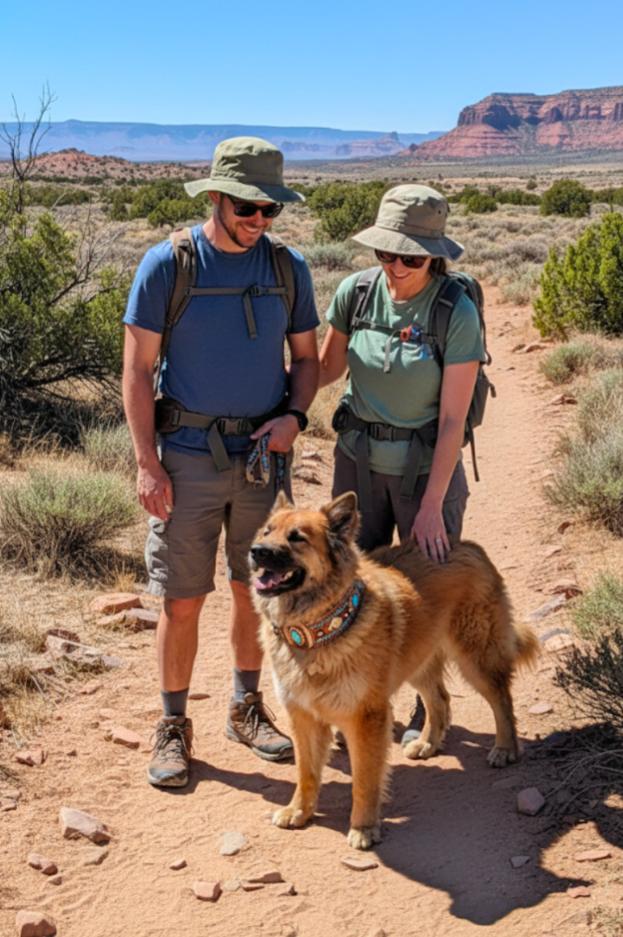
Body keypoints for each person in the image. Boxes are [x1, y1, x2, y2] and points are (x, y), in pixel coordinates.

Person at [122, 136, 319, 787]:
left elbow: (307, 358)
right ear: (214, 196)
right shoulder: (168, 264)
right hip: (185, 459)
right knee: (181, 600)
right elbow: (138, 368)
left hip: (261, 462)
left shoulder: (287, 268)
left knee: (252, 590)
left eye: (269, 208)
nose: (258, 219)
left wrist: (294, 416)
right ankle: (174, 723)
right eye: (246, 206)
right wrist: (148, 463)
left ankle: (245, 705)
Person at [318, 184, 485, 746]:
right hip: (358, 466)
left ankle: (427, 706)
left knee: (421, 595)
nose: (395, 267)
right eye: (385, 254)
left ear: (435, 256)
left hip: (422, 472)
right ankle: (355, 701)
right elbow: (322, 370)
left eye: (409, 257)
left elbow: (452, 421)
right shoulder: (357, 294)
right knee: (348, 587)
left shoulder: (454, 312)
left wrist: (434, 504)